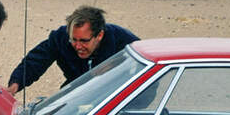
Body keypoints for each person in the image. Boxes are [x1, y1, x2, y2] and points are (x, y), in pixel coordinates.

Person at [8, 6, 138, 94]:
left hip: (112, 97)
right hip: (76, 93)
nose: (78, 46)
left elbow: (145, 74)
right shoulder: (60, 38)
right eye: (74, 39)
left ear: (99, 35)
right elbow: (36, 61)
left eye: (84, 41)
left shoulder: (124, 41)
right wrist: (16, 83)